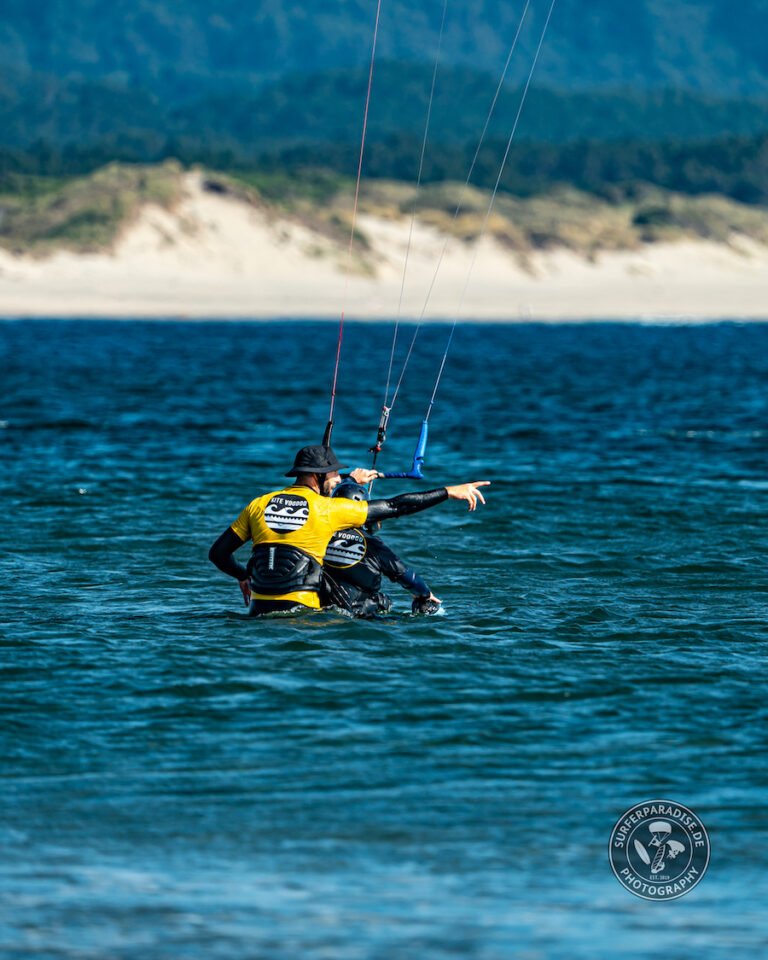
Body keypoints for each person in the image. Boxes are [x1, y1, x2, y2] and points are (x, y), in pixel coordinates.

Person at [208, 444, 489, 617]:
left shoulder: (258, 504)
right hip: (301, 617)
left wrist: (243, 575)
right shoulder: (328, 510)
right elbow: (395, 506)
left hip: (257, 611)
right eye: (334, 474)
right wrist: (448, 491)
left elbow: (218, 554)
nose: (338, 478)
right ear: (318, 476)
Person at [322, 479, 442, 618]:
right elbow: (405, 575)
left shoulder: (317, 532)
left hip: (319, 606)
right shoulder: (372, 543)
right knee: (384, 602)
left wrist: (352, 479)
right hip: (357, 613)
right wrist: (425, 594)